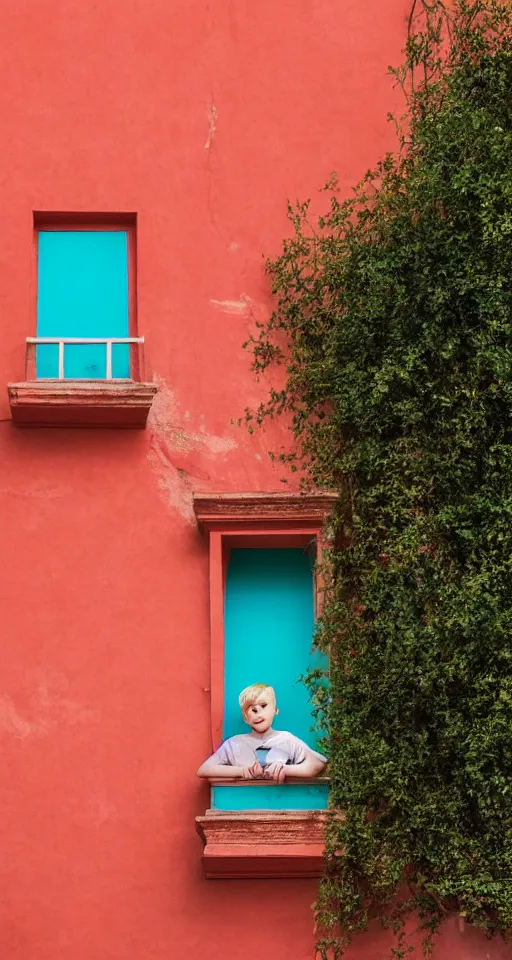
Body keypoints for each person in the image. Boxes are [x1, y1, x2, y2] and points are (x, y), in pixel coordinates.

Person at [197, 682, 327, 783]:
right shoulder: (234, 744)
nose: (258, 713)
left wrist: (285, 769)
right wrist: (243, 771)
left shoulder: (287, 740)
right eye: (252, 709)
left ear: (276, 710)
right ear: (245, 718)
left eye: (263, 706)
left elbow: (318, 764)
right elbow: (204, 769)